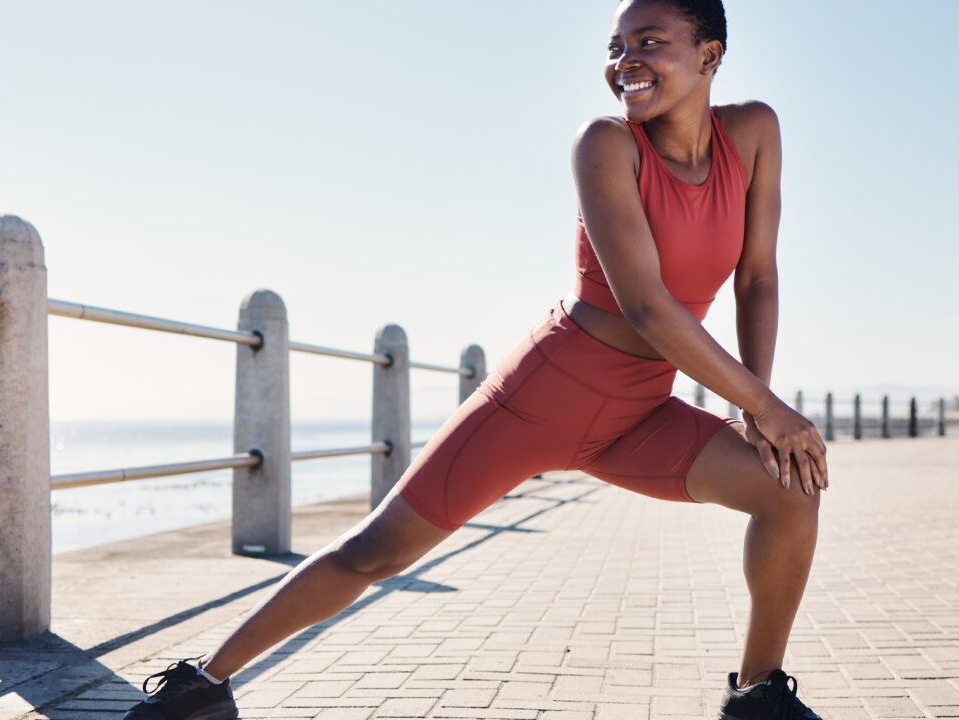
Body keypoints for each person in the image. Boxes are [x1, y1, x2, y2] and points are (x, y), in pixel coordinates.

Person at [124, 1, 827, 718]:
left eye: (650, 41)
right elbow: (645, 305)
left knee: (791, 492)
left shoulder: (754, 132)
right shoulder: (605, 145)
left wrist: (755, 408)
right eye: (616, 46)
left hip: (641, 412)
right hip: (544, 396)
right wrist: (770, 409)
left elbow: (758, 276)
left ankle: (756, 694)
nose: (625, 61)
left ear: (710, 55)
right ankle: (205, 683)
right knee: (377, 551)